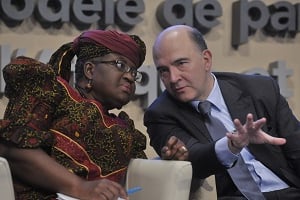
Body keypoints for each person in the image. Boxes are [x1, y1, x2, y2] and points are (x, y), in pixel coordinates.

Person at [144, 24, 300, 200]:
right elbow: (194, 159)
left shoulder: (259, 90)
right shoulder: (160, 114)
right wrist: (231, 145)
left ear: (206, 60)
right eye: (163, 70)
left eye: (181, 64)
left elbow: (296, 148)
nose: (173, 78)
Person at [0, 29, 147, 200]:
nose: (129, 76)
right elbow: (13, 148)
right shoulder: (52, 91)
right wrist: (80, 188)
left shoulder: (125, 129)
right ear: (90, 70)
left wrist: (167, 158)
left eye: (134, 72)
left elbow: (140, 174)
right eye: (120, 65)